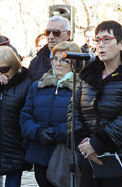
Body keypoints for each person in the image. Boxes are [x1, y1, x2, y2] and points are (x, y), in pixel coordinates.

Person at [69, 20, 122, 187]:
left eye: (106, 39)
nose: (100, 45)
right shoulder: (88, 75)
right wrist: (83, 143)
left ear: (121, 44)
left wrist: (97, 143)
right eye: (97, 40)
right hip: (88, 158)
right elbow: (73, 111)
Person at [20, 41, 82, 187]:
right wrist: (37, 132)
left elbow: (80, 119)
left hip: (64, 154)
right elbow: (25, 116)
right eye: (55, 59)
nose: (58, 63)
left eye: (64, 60)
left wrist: (56, 133)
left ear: (74, 64)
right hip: (39, 152)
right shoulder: (37, 86)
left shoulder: (81, 88)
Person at [0, 46, 32, 187]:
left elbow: (28, 114)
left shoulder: (25, 83)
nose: (0, 73)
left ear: (14, 66)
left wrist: (24, 142)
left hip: (15, 143)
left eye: (3, 69)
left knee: (13, 181)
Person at [28, 15, 88, 82]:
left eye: (56, 32)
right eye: (47, 32)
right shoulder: (35, 62)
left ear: (68, 34)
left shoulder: (84, 58)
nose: (50, 36)